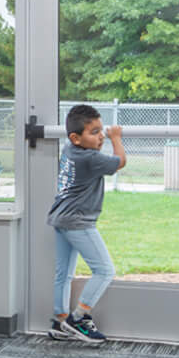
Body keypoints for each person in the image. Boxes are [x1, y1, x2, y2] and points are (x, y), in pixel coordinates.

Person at [49, 105, 124, 345]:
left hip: (60, 218)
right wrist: (116, 138)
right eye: (94, 132)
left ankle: (59, 320)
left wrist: (100, 137)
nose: (101, 135)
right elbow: (119, 162)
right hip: (78, 221)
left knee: (64, 273)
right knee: (105, 270)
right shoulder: (89, 158)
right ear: (76, 137)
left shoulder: (69, 150)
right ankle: (78, 318)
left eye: (102, 131)